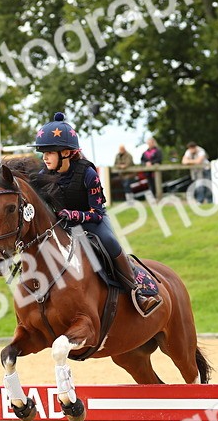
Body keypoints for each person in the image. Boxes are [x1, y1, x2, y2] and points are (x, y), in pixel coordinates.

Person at [33, 112, 160, 315]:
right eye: (43, 152)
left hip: (92, 222)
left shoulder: (88, 174)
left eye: (49, 152)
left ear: (66, 152)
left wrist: (75, 215)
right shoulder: (42, 176)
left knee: (110, 241)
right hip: (63, 226)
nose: (44, 157)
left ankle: (137, 292)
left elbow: (97, 213)